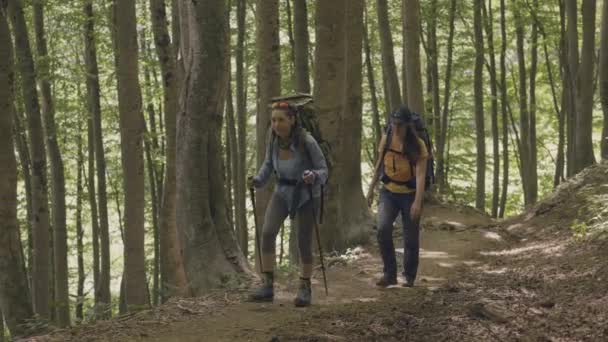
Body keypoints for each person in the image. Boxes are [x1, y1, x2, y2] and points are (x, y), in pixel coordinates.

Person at [248, 101, 328, 307]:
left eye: (281, 119)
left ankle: (305, 287)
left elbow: (323, 170)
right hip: (282, 192)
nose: (276, 124)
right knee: (267, 232)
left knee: (303, 241)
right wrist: (258, 180)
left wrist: (313, 175)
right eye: (273, 120)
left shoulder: (307, 141)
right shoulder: (274, 140)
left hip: (307, 194)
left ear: (292, 120)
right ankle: (267, 285)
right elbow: (268, 164)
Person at [366, 106, 428, 288]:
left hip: (409, 194)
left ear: (408, 125)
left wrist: (418, 201)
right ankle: (389, 274)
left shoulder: (418, 145)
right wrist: (370, 190)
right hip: (388, 192)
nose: (396, 128)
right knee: (383, 230)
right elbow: (379, 165)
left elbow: (421, 175)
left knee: (410, 237)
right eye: (394, 124)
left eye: (400, 125)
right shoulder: (387, 139)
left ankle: (409, 276)